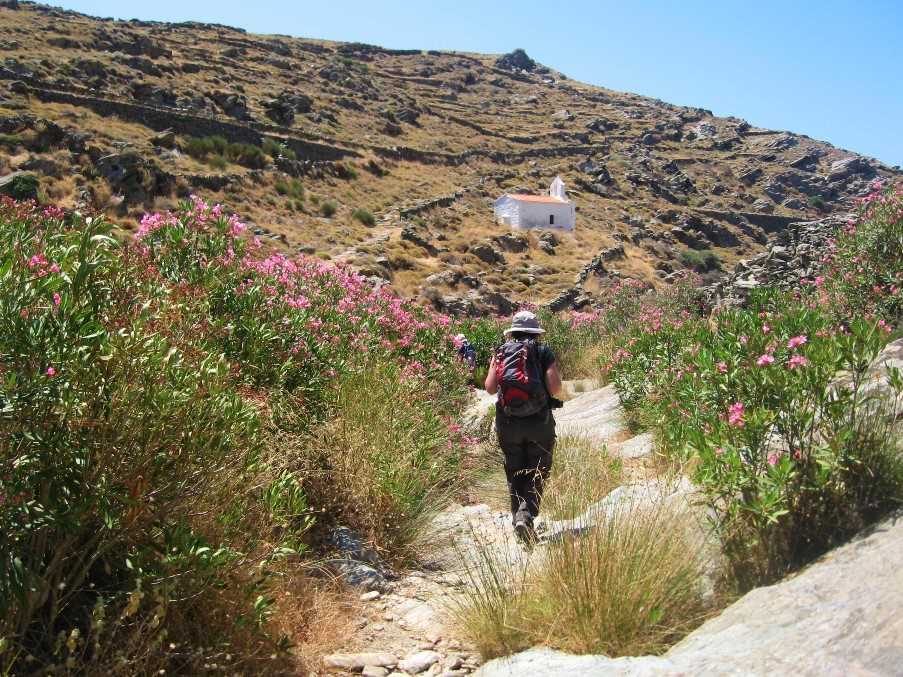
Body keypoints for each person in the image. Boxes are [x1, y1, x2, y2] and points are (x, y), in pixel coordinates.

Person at [484, 310, 562, 543]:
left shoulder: (500, 351)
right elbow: (555, 388)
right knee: (538, 469)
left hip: (508, 423)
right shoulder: (542, 351)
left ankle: (518, 517)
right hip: (539, 422)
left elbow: (489, 387)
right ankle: (525, 517)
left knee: (514, 469)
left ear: (513, 330)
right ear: (535, 332)